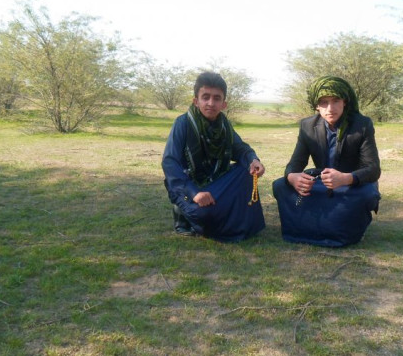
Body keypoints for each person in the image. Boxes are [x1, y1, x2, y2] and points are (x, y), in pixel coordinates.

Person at [272, 76, 381, 247]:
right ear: (316, 105)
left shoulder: (362, 124)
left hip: (351, 185)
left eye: (335, 100)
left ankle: (343, 227)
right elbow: (295, 163)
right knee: (280, 185)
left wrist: (346, 178)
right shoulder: (307, 126)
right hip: (321, 181)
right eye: (324, 102)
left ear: (344, 101)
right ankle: (309, 227)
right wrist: (292, 177)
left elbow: (373, 169)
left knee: (368, 193)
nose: (330, 108)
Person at [162, 71, 265, 242]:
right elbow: (170, 163)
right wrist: (194, 193)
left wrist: (254, 160)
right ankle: (184, 215)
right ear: (196, 101)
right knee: (204, 214)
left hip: (215, 180)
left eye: (217, 98)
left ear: (223, 103)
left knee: (247, 169)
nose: (211, 103)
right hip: (188, 185)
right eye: (206, 97)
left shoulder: (224, 125)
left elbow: (240, 149)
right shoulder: (183, 123)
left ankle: (231, 219)